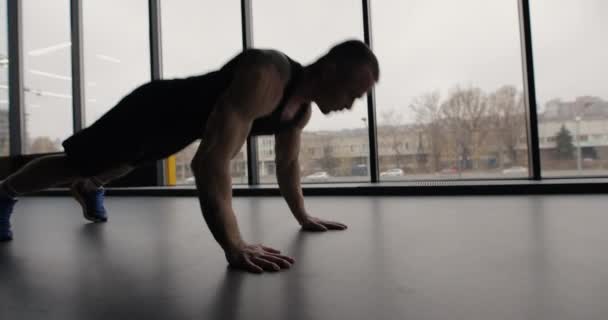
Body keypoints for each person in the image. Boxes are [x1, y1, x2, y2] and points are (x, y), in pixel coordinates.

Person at [0, 39, 379, 273]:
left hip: (178, 129)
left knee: (127, 162)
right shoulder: (266, 74)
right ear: (330, 70)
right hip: (152, 109)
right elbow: (210, 163)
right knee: (76, 163)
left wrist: (303, 216)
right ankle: (5, 192)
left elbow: (288, 165)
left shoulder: (299, 110)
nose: (352, 104)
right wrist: (234, 245)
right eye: (355, 92)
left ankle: (89, 186)